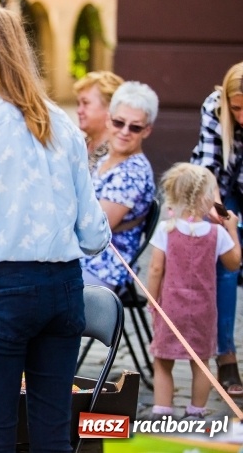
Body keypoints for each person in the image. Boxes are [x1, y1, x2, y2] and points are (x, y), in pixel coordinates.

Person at [0, 6, 110, 452]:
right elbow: (93, 234)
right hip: (65, 287)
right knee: (52, 433)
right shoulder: (63, 124)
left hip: (3, 287)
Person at [147, 162, 241, 420]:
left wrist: (152, 300)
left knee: (163, 361)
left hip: (171, 309)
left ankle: (162, 412)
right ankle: (195, 413)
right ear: (205, 197)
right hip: (203, 310)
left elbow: (155, 269)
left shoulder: (166, 230)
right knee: (201, 363)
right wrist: (231, 228)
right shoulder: (215, 233)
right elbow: (234, 263)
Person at [190, 60, 243, 396]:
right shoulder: (214, 108)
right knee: (224, 257)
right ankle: (226, 356)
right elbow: (208, 175)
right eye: (236, 108)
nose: (241, 117)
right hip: (220, 190)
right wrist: (225, 221)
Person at [80, 81, 158, 291]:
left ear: (147, 130)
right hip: (83, 257)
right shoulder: (104, 157)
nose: (124, 131)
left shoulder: (133, 172)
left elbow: (94, 230)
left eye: (135, 127)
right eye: (118, 122)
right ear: (108, 120)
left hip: (104, 267)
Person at [74, 70, 125, 172]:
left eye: (86, 103)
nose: (79, 110)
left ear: (110, 107)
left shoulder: (116, 156)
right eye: (78, 103)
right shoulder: (79, 145)